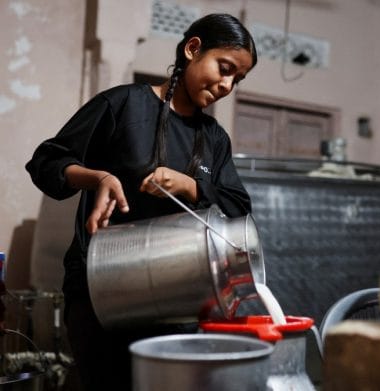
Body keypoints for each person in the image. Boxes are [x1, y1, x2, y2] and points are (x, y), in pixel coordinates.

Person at [25, 13, 256, 390]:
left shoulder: (213, 138)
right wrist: (99, 177)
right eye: (225, 68)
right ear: (193, 48)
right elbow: (46, 161)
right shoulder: (123, 106)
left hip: (178, 295)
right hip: (102, 288)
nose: (228, 84)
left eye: (238, 79)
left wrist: (189, 185)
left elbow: (238, 206)